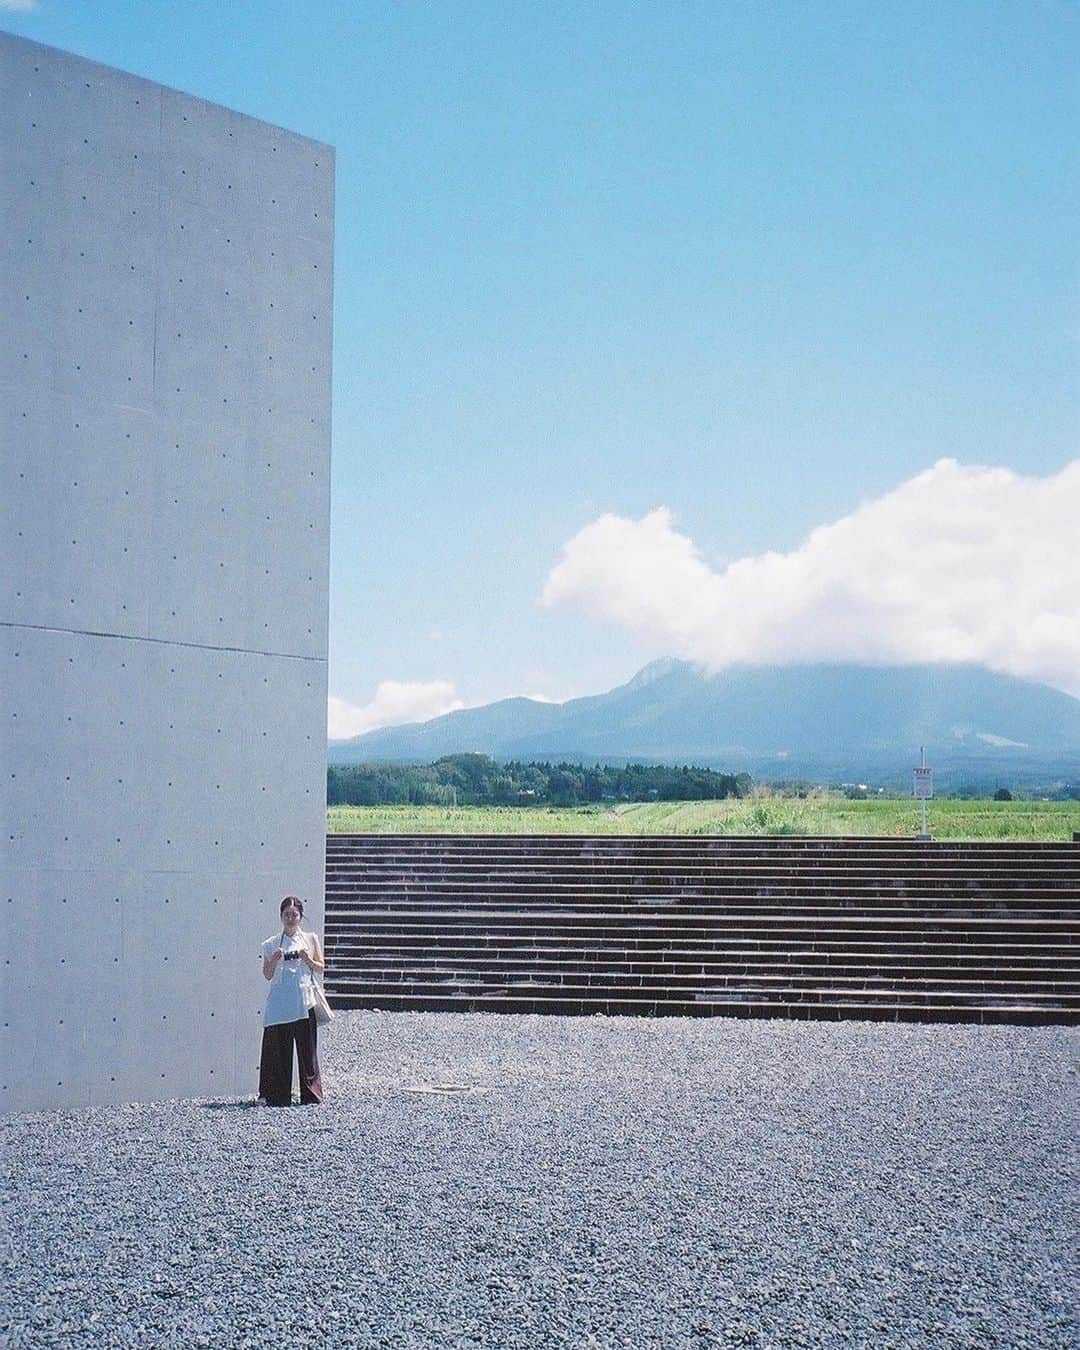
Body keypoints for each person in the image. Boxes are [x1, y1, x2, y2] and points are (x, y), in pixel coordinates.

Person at [258, 895, 326, 1106]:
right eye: (286, 914)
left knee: (308, 1051)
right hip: (280, 1003)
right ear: (281, 916)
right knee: (278, 1050)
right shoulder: (270, 944)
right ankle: (277, 1095)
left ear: (300, 917)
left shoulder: (311, 939)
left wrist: (308, 958)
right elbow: (267, 974)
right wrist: (275, 959)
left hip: (304, 1002)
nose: (290, 918)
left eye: (294, 915)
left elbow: (321, 967)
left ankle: (311, 1094)